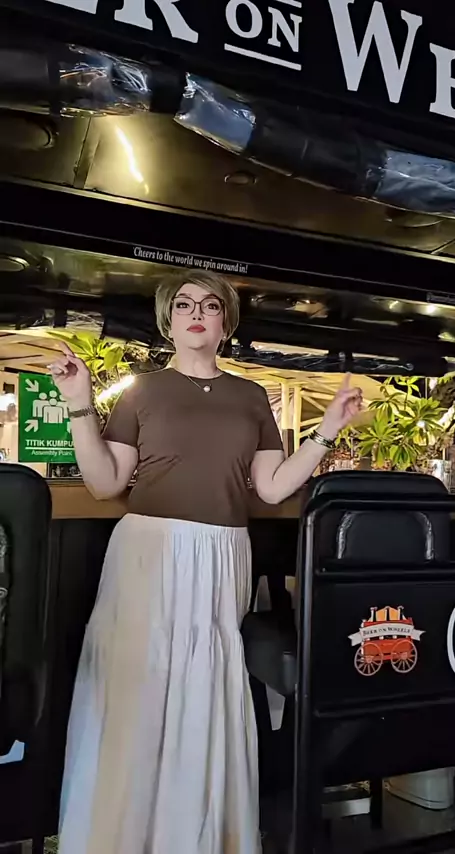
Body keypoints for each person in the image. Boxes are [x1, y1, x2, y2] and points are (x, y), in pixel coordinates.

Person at [50, 270, 363, 854]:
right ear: (168, 322)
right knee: (138, 685)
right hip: (148, 551)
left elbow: (272, 487)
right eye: (184, 305)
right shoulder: (142, 391)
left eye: (210, 305)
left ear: (226, 324)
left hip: (223, 554)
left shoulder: (251, 397)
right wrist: (78, 404)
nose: (196, 313)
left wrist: (326, 430)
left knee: (207, 688)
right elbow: (104, 482)